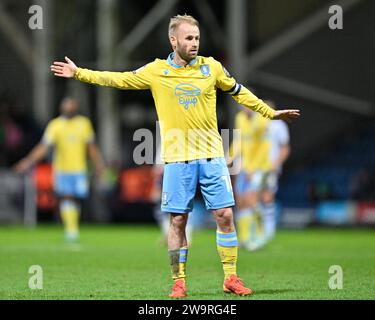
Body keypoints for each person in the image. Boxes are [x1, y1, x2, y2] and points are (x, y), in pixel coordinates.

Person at [50, 14, 300, 298]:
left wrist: (270, 114)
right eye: (189, 38)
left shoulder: (212, 68)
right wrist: (80, 73)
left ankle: (231, 277)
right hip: (177, 159)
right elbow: (117, 79)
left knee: (225, 215)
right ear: (174, 40)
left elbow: (240, 92)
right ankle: (178, 280)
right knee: (178, 221)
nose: (194, 44)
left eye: (197, 38)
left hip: (212, 156)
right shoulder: (156, 71)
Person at [15, 97, 105, 242]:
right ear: (61, 108)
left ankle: (72, 226)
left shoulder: (84, 124)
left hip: (80, 169)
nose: (69, 108)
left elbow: (91, 147)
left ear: (75, 107)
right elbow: (44, 146)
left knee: (76, 198)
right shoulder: (55, 125)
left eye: (71, 105)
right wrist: (28, 161)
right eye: (66, 105)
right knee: (66, 196)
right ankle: (71, 230)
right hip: (62, 169)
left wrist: (99, 164)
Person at [227, 107, 273, 251]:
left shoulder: (262, 120)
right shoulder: (240, 117)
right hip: (245, 166)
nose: (244, 107)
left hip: (260, 167)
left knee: (252, 198)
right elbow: (239, 141)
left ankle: (259, 235)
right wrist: (229, 157)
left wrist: (254, 168)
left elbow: (264, 146)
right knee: (241, 201)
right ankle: (244, 238)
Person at [260, 100, 291, 245]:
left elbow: (285, 147)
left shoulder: (279, 125)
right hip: (254, 166)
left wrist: (276, 164)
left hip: (270, 167)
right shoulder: (257, 123)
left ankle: (269, 231)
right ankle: (256, 230)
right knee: (252, 198)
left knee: (267, 197)